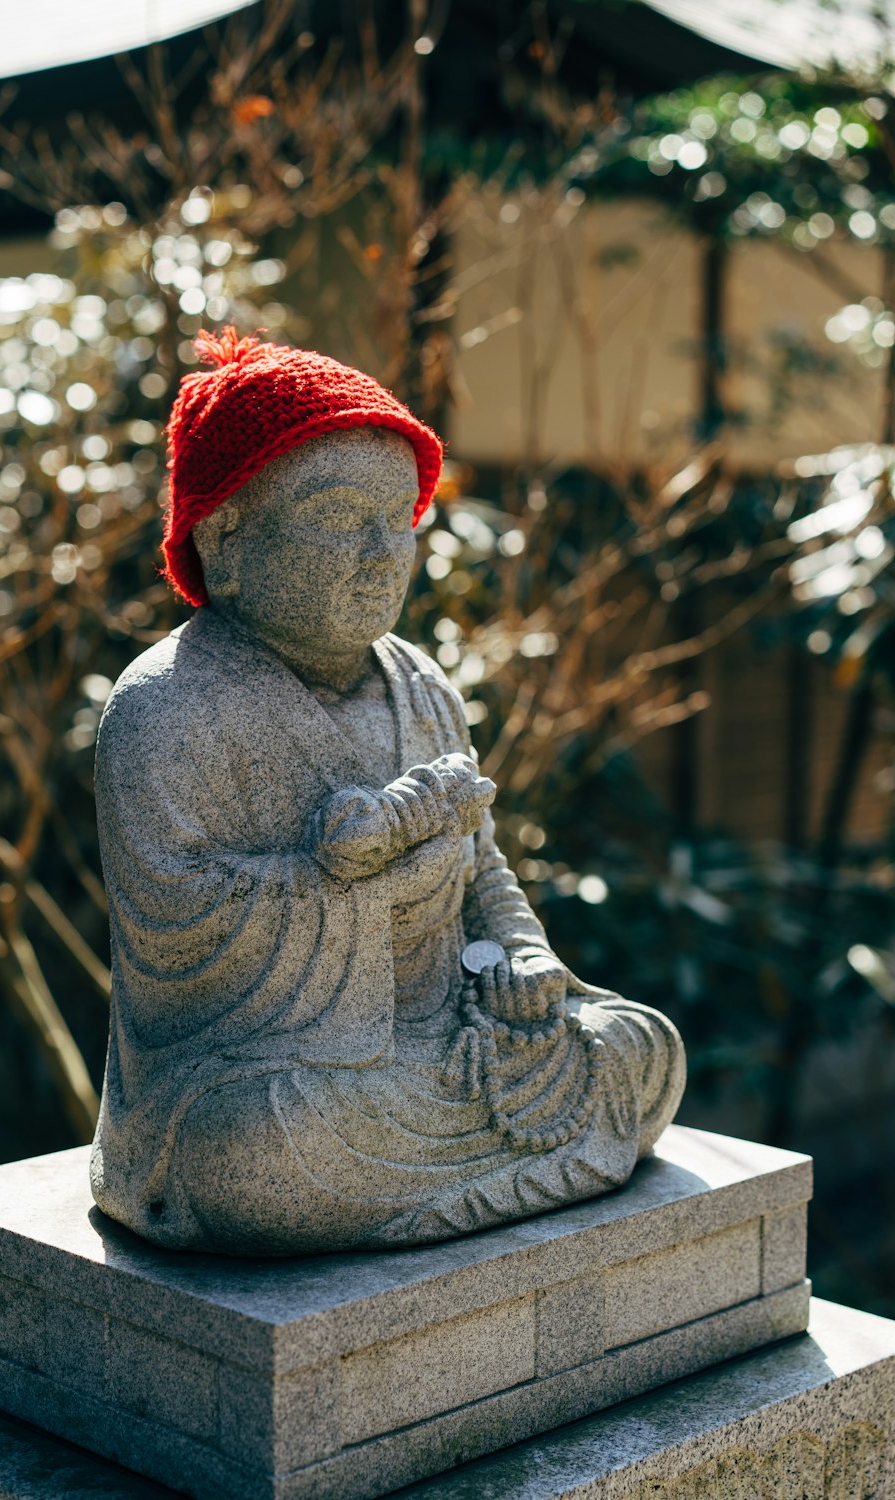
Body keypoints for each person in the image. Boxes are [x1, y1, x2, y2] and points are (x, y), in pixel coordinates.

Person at [89, 329, 685, 1254]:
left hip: (446, 1040)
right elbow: (178, 932)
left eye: (399, 517)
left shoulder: (419, 683)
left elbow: (482, 868)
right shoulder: (165, 708)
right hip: (274, 1071)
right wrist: (362, 890)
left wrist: (523, 963)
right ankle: (510, 1169)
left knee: (640, 1049)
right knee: (248, 1162)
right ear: (227, 539)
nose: (381, 552)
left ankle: (453, 1176)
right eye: (336, 516)